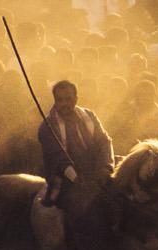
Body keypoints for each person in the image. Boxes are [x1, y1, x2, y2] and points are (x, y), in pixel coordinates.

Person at [36, 80, 113, 210]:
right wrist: (76, 179)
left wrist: (105, 167)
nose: (64, 104)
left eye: (68, 99)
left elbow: (104, 141)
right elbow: (58, 157)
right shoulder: (47, 126)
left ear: (76, 99)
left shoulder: (89, 116)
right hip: (65, 178)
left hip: (96, 172)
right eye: (60, 100)